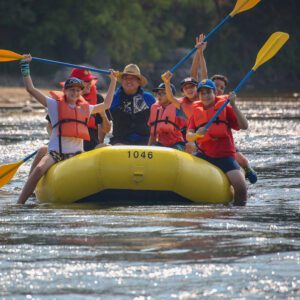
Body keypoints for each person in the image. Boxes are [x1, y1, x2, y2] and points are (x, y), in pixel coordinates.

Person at [17, 54, 117, 204]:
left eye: (78, 90)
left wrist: (113, 81)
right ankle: (19, 203)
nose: (75, 93)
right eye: (71, 89)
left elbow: (106, 105)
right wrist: (25, 67)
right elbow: (31, 89)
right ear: (65, 90)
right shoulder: (54, 105)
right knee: (38, 170)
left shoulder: (86, 108)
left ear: (81, 92)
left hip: (77, 156)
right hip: (56, 153)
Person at [190, 35, 257, 184]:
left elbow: (242, 125)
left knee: (241, 159)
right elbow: (199, 76)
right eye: (217, 87)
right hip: (204, 146)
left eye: (222, 88)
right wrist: (200, 52)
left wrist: (233, 104)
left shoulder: (225, 103)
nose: (219, 90)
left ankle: (246, 170)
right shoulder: (201, 98)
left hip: (224, 148)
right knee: (189, 146)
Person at [29, 68, 112, 174]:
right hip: (64, 147)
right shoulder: (62, 102)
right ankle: (33, 184)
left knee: (106, 147)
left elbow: (106, 129)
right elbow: (50, 127)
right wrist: (58, 142)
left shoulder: (98, 99)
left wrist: (103, 114)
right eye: (85, 81)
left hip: (90, 148)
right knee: (42, 150)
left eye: (89, 81)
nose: (88, 84)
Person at [186, 79, 248, 206]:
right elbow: (188, 136)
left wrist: (234, 105)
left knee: (241, 189)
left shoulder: (225, 109)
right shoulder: (196, 113)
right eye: (202, 93)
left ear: (214, 92)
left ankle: (237, 212)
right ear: (199, 95)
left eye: (208, 92)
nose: (205, 96)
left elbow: (244, 126)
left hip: (224, 157)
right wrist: (197, 135)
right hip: (204, 156)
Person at [160, 34, 207, 153]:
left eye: (192, 87)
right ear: (183, 92)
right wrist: (166, 82)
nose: (190, 89)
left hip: (205, 133)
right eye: (186, 88)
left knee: (190, 145)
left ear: (197, 88)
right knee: (189, 145)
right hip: (192, 135)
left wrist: (200, 53)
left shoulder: (203, 97)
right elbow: (170, 97)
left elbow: (201, 75)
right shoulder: (182, 103)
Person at [109, 64, 156, 145]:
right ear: (122, 81)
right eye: (126, 78)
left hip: (144, 141)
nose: (128, 81)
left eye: (133, 78)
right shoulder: (113, 99)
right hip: (120, 141)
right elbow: (102, 122)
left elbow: (156, 124)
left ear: (139, 82)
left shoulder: (149, 99)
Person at [147, 83, 185, 150]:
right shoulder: (155, 108)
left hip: (177, 143)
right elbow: (152, 134)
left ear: (170, 95)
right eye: (158, 93)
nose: (159, 95)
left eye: (163, 93)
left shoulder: (178, 108)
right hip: (161, 144)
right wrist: (148, 148)